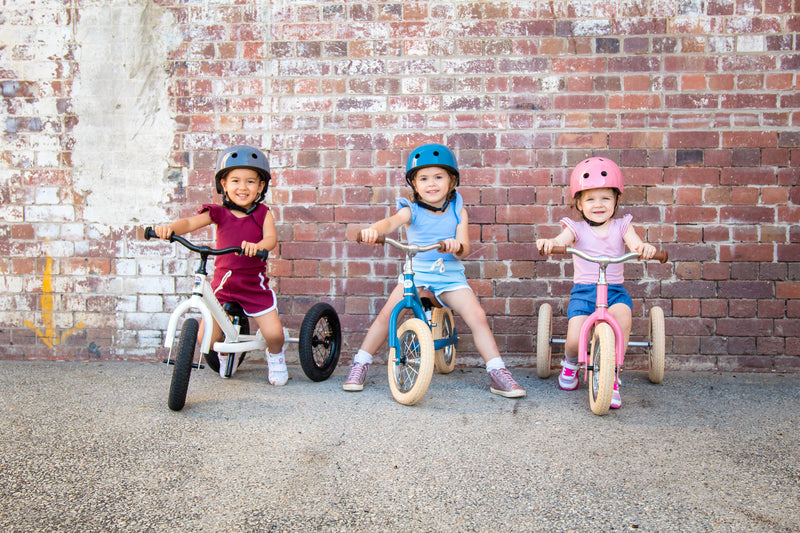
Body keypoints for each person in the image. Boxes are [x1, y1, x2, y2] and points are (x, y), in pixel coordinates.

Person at [344, 143, 526, 398]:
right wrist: (374, 230)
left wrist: (456, 246)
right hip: (416, 274)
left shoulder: (458, 211)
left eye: (438, 177)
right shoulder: (411, 210)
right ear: (415, 185)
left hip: (449, 276)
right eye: (424, 178)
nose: (432, 184)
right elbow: (390, 222)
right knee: (387, 316)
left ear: (451, 181)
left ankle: (498, 372)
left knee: (477, 316)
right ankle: (360, 363)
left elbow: (464, 248)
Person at [154, 145, 287, 385]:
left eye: (250, 182)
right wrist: (170, 229)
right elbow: (189, 223)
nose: (243, 187)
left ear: (260, 187)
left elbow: (271, 239)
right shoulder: (218, 212)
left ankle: (275, 356)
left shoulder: (263, 213)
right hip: (223, 285)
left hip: (252, 286)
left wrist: (258, 246)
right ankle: (226, 352)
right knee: (207, 337)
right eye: (235, 180)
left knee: (275, 335)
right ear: (224, 185)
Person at [536, 157, 656, 408]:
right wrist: (552, 244)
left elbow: (634, 243)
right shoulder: (576, 228)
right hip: (584, 293)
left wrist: (642, 247)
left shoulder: (623, 226)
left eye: (605, 198)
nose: (598, 205)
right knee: (574, 337)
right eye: (590, 199)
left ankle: (611, 376)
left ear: (616, 201)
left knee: (622, 318)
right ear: (579, 203)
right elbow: (562, 239)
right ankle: (570, 363)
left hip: (614, 292)